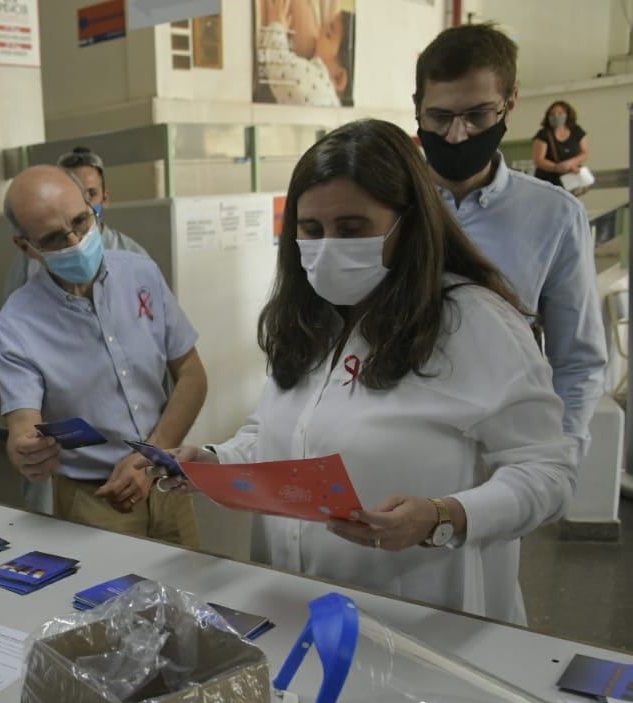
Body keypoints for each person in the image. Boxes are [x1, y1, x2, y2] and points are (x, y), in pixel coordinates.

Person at [157, 120, 575, 624]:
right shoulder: (309, 321)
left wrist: (443, 516)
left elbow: (548, 473)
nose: (328, 246)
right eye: (312, 230)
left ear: (409, 224)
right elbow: (277, 436)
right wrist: (214, 461)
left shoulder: (473, 322)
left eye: (352, 229)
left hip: (421, 620)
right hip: (295, 608)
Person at [0, 165, 208, 547]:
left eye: (81, 221)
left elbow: (191, 373)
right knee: (106, 586)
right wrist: (27, 453)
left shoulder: (141, 274)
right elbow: (23, 427)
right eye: (55, 238)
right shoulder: (16, 326)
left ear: (93, 207)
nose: (76, 242)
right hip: (95, 498)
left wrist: (151, 456)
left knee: (190, 582)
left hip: (167, 481)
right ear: (26, 246)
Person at [413, 24, 606, 452]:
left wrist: (559, 455)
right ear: (417, 106)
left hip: (505, 449)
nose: (457, 135)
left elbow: (577, 360)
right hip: (399, 444)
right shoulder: (386, 202)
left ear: (510, 103)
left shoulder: (554, 216)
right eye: (439, 117)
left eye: (477, 116)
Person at [2, 147, 153, 515]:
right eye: (54, 237)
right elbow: (16, 352)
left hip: (133, 445)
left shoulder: (136, 263)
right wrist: (24, 439)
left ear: (102, 199)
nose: (73, 243)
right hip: (66, 445)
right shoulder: (25, 280)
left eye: (90, 196)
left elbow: (164, 358)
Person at [1, 147, 150, 304]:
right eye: (72, 193)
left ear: (105, 198)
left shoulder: (133, 256)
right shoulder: (33, 257)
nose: (81, 202)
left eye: (91, 194)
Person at [256, 0, 355, 107]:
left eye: (328, 34)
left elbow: (279, 67)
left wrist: (277, 25)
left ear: (339, 78)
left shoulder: (319, 87)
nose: (321, 29)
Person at [532, 100, 590, 189]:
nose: (556, 116)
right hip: (548, 182)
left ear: (568, 115)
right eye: (552, 114)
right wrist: (557, 167)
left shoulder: (577, 131)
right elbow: (539, 160)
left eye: (560, 113)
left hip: (571, 179)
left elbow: (585, 153)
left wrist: (570, 164)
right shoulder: (543, 134)